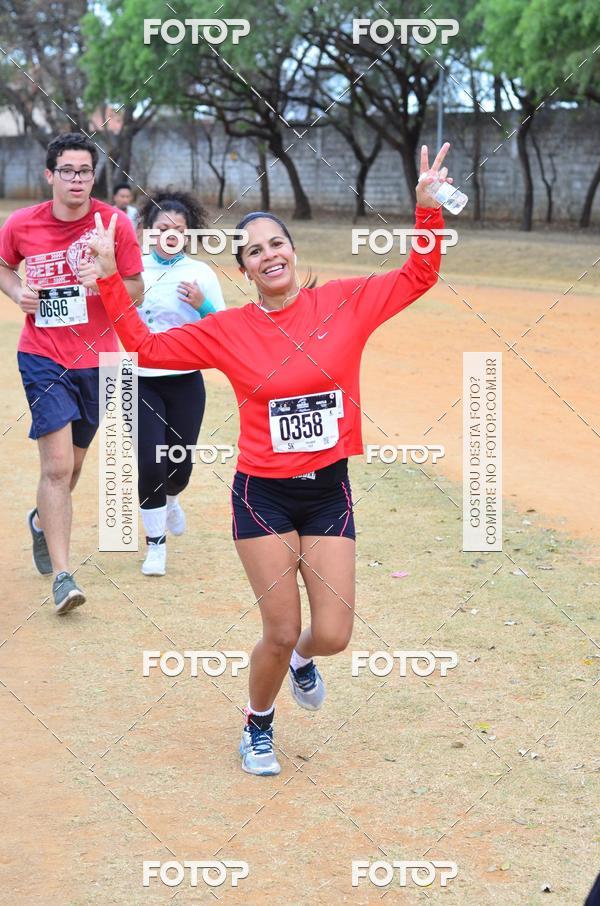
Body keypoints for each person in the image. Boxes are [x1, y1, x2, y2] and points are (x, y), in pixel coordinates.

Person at [88, 143, 453, 775]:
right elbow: (143, 343)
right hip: (263, 493)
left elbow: (418, 277)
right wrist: (105, 280)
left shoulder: (342, 302)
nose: (269, 255)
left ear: (292, 250)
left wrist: (426, 211)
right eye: (254, 250)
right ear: (244, 270)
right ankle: (258, 724)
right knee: (279, 631)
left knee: (330, 635)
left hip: (328, 490)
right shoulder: (229, 330)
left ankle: (304, 664)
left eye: (275, 243)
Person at [0, 132, 143, 614]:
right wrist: (16, 291)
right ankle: (64, 575)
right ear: (50, 175)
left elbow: (137, 289)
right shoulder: (22, 224)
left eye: (85, 171)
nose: (77, 179)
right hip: (42, 355)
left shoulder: (114, 224)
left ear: (93, 176)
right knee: (57, 466)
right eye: (68, 171)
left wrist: (104, 279)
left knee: (75, 466)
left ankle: (41, 523)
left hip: (100, 360)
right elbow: (2, 265)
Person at [95, 190, 225, 576]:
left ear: (189, 234)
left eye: (179, 230)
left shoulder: (200, 273)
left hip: (186, 380)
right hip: (139, 380)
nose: (171, 235)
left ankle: (171, 499)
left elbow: (223, 330)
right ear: (147, 232)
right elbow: (111, 312)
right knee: (150, 461)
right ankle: (155, 546)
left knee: (178, 467)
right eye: (162, 228)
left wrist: (201, 304)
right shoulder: (133, 274)